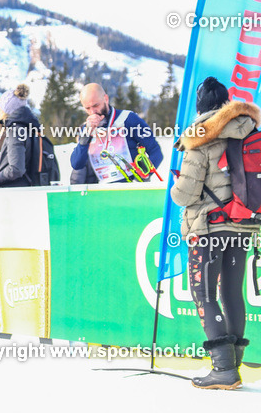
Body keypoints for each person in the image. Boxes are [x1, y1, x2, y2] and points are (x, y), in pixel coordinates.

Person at [171, 77, 261, 390]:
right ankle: (233, 366)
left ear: (200, 106)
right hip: (241, 224)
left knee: (204, 294)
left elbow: (185, 194)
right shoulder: (248, 129)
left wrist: (174, 187)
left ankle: (223, 370)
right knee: (232, 293)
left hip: (208, 227)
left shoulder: (200, 136)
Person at [70, 83, 163, 184]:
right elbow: (77, 164)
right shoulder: (86, 128)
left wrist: (144, 173)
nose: (93, 112)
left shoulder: (128, 119)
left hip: (132, 189)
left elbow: (155, 151)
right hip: (103, 192)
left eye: (96, 105)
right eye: (87, 108)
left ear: (106, 99)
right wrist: (86, 136)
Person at [0, 84, 42, 188]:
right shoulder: (30, 128)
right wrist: (3, 160)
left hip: (14, 194)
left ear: (6, 110)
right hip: (27, 189)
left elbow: (16, 169)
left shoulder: (15, 131)